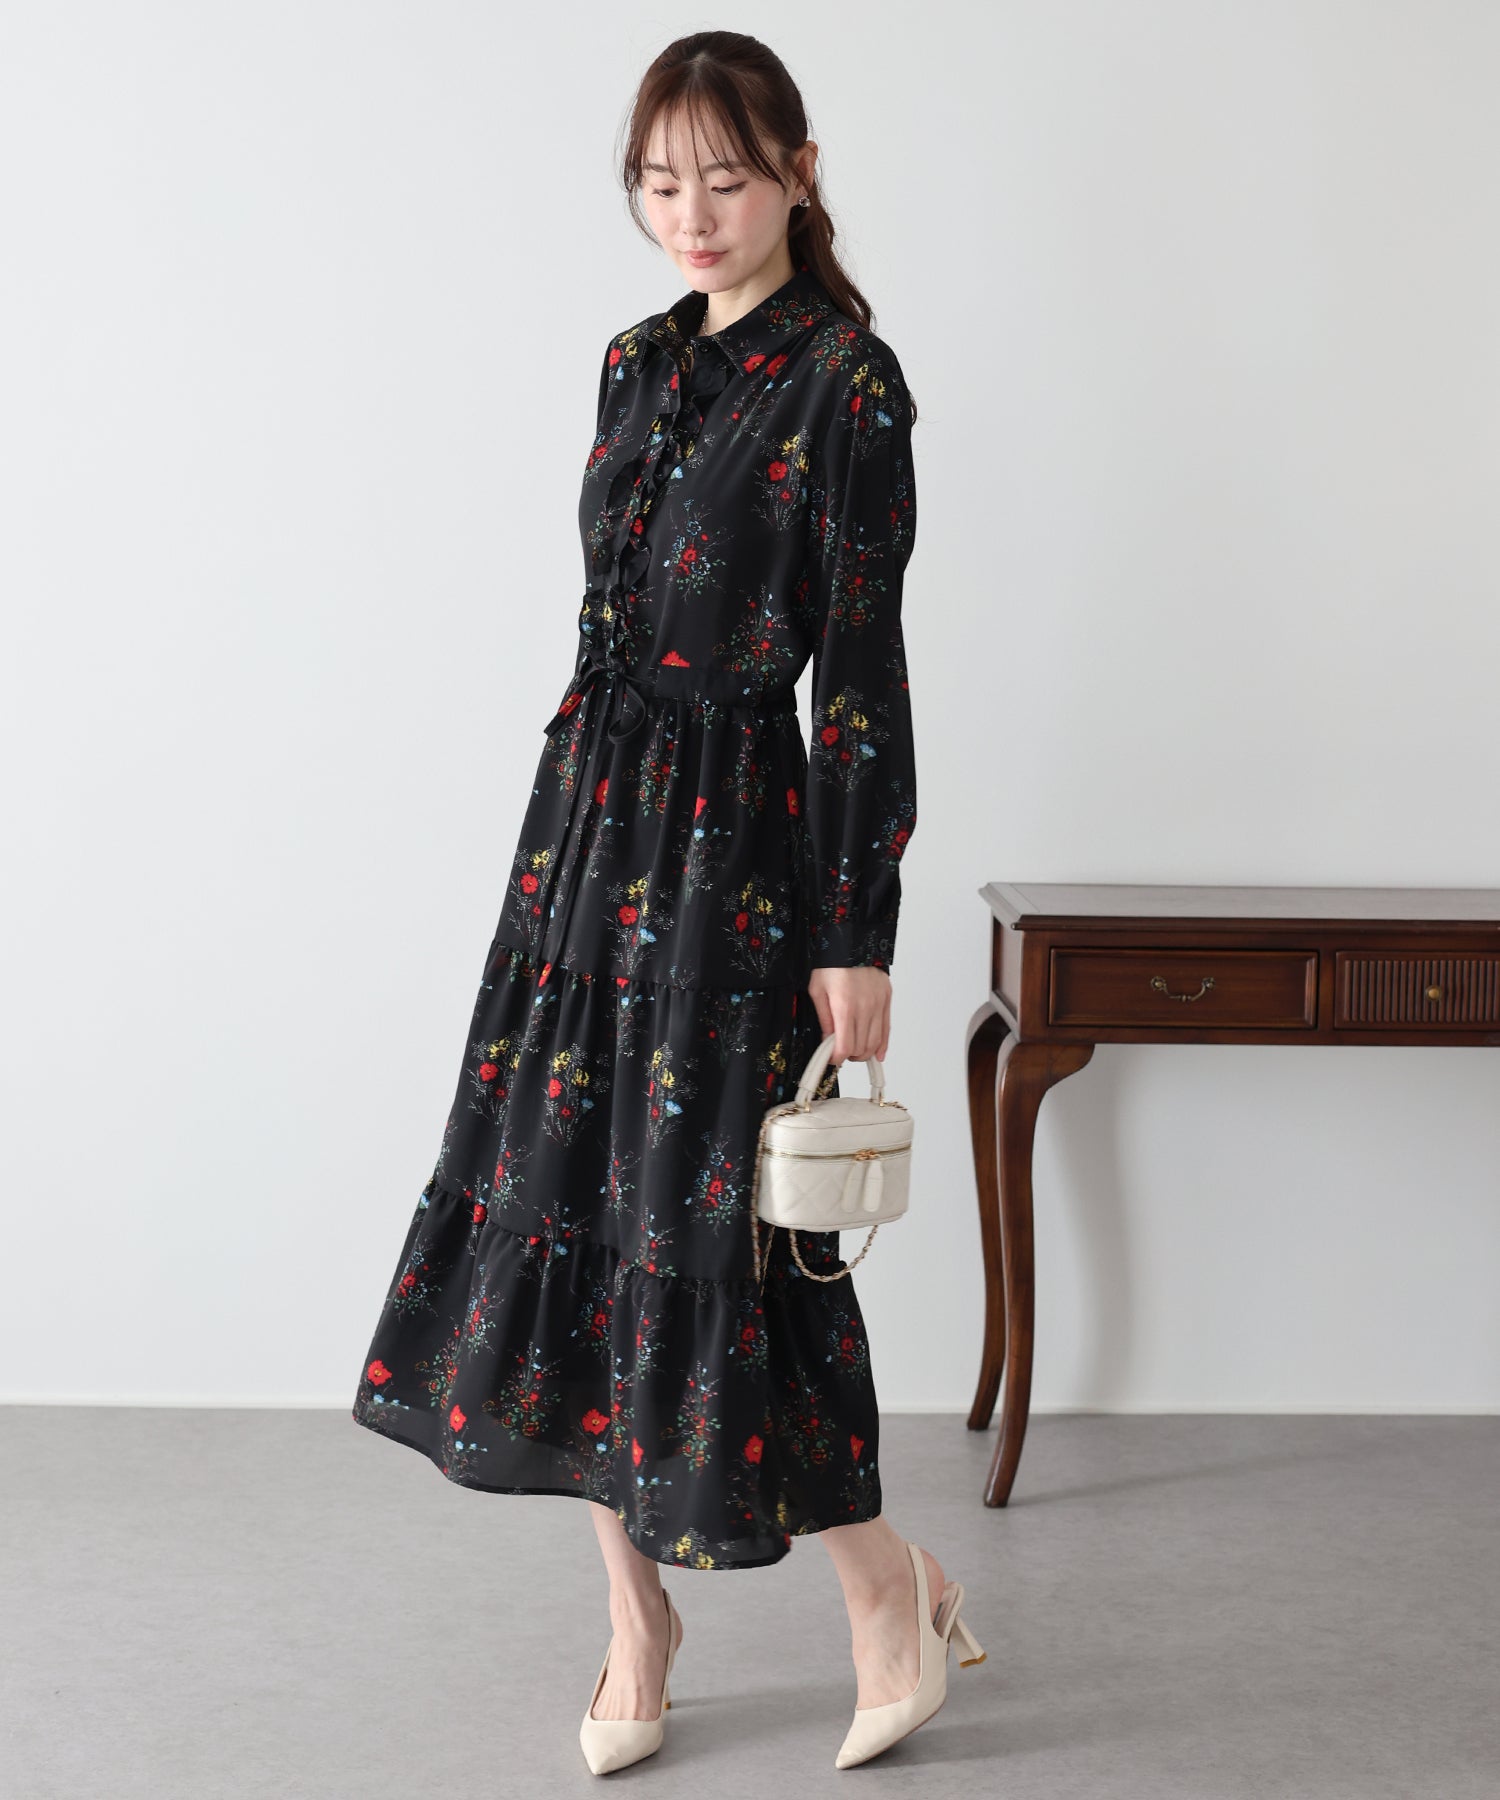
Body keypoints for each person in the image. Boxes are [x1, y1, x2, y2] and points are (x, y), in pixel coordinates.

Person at [351, 27, 984, 1773]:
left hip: (737, 857)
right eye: (659, 181)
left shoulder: (848, 381)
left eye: (725, 175)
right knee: (574, 1200)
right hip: (588, 834)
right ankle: (637, 1620)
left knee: (728, 1236)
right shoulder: (634, 363)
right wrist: (570, 837)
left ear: (796, 172)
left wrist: (856, 928)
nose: (691, 212)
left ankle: (889, 1590)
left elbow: (862, 673)